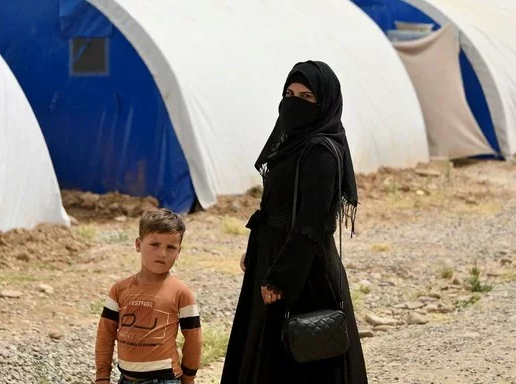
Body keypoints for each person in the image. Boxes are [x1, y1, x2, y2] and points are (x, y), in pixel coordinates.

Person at [220, 61, 368, 383]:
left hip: (302, 270)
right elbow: (275, 206)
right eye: (289, 93)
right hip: (274, 258)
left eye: (306, 96)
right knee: (270, 353)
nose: (294, 102)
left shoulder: (320, 151)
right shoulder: (291, 145)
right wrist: (256, 249)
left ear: (325, 103)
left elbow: (312, 224)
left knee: (303, 355)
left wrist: (280, 279)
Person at [95, 208, 202, 384]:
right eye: (154, 244)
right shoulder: (119, 289)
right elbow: (105, 335)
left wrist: (189, 377)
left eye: (171, 247)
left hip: (164, 379)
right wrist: (102, 376)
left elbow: (194, 339)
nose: (162, 253)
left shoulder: (182, 293)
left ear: (179, 252)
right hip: (126, 379)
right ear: (138, 244)